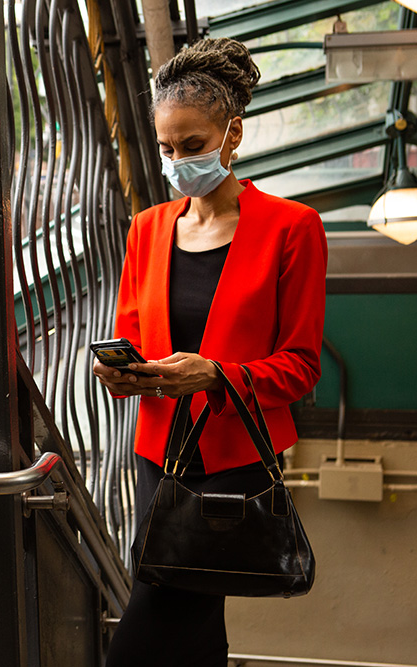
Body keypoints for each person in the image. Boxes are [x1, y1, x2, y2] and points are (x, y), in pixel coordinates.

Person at [93, 37, 327, 666]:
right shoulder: (147, 228)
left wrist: (216, 375)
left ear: (232, 135)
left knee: (152, 623)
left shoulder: (292, 228)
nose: (176, 162)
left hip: (236, 457)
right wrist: (123, 373)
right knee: (193, 626)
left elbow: (302, 366)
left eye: (191, 146)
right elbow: (134, 337)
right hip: (157, 453)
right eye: (167, 149)